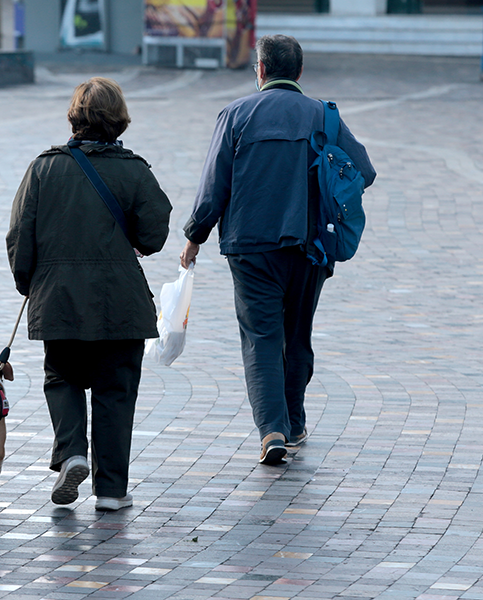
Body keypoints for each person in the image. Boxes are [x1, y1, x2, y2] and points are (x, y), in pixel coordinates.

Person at [180, 35, 376, 466]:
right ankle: (297, 422)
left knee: (262, 338)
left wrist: (196, 235)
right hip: (310, 245)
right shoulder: (323, 115)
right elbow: (365, 170)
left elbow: (215, 185)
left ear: (261, 70)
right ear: (299, 73)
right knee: (297, 335)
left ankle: (273, 428)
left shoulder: (236, 115)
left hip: (250, 248)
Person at [7, 77, 172, 510]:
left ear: (74, 117)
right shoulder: (135, 170)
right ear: (119, 120)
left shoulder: (44, 168)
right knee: (115, 390)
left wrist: (31, 283)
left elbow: (19, 235)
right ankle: (112, 493)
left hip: (58, 298)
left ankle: (72, 452)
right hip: (120, 301)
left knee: (61, 377)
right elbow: (154, 232)